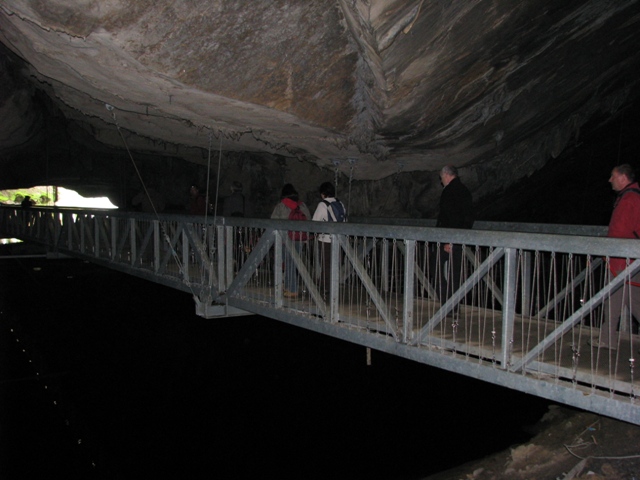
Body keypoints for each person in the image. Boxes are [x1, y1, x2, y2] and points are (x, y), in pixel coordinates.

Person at [592, 164, 640, 350]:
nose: (609, 180)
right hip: (628, 260)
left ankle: (606, 340)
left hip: (623, 260)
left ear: (622, 177)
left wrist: (612, 248)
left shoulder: (630, 200)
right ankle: (607, 339)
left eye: (613, 176)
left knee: (612, 300)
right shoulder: (629, 197)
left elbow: (623, 231)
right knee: (634, 301)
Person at [433, 165, 474, 303]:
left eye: (441, 177)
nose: (441, 181)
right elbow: (467, 217)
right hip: (460, 238)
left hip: (449, 239)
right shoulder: (464, 190)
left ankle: (446, 303)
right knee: (455, 273)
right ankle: (454, 305)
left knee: (438, 269)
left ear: (447, 175)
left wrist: (448, 240)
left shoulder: (449, 191)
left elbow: (450, 218)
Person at [271, 184, 311, 298]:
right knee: (292, 262)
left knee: (285, 263)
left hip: (285, 239)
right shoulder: (302, 205)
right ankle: (288, 286)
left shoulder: (281, 206)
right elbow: (308, 220)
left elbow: (273, 221)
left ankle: (291, 288)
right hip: (299, 238)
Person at [312, 181, 346, 296]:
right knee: (335, 263)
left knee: (325, 263)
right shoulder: (340, 203)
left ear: (323, 194)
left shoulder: (323, 205)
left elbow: (314, 222)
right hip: (339, 239)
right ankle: (333, 285)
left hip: (325, 239)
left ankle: (326, 288)